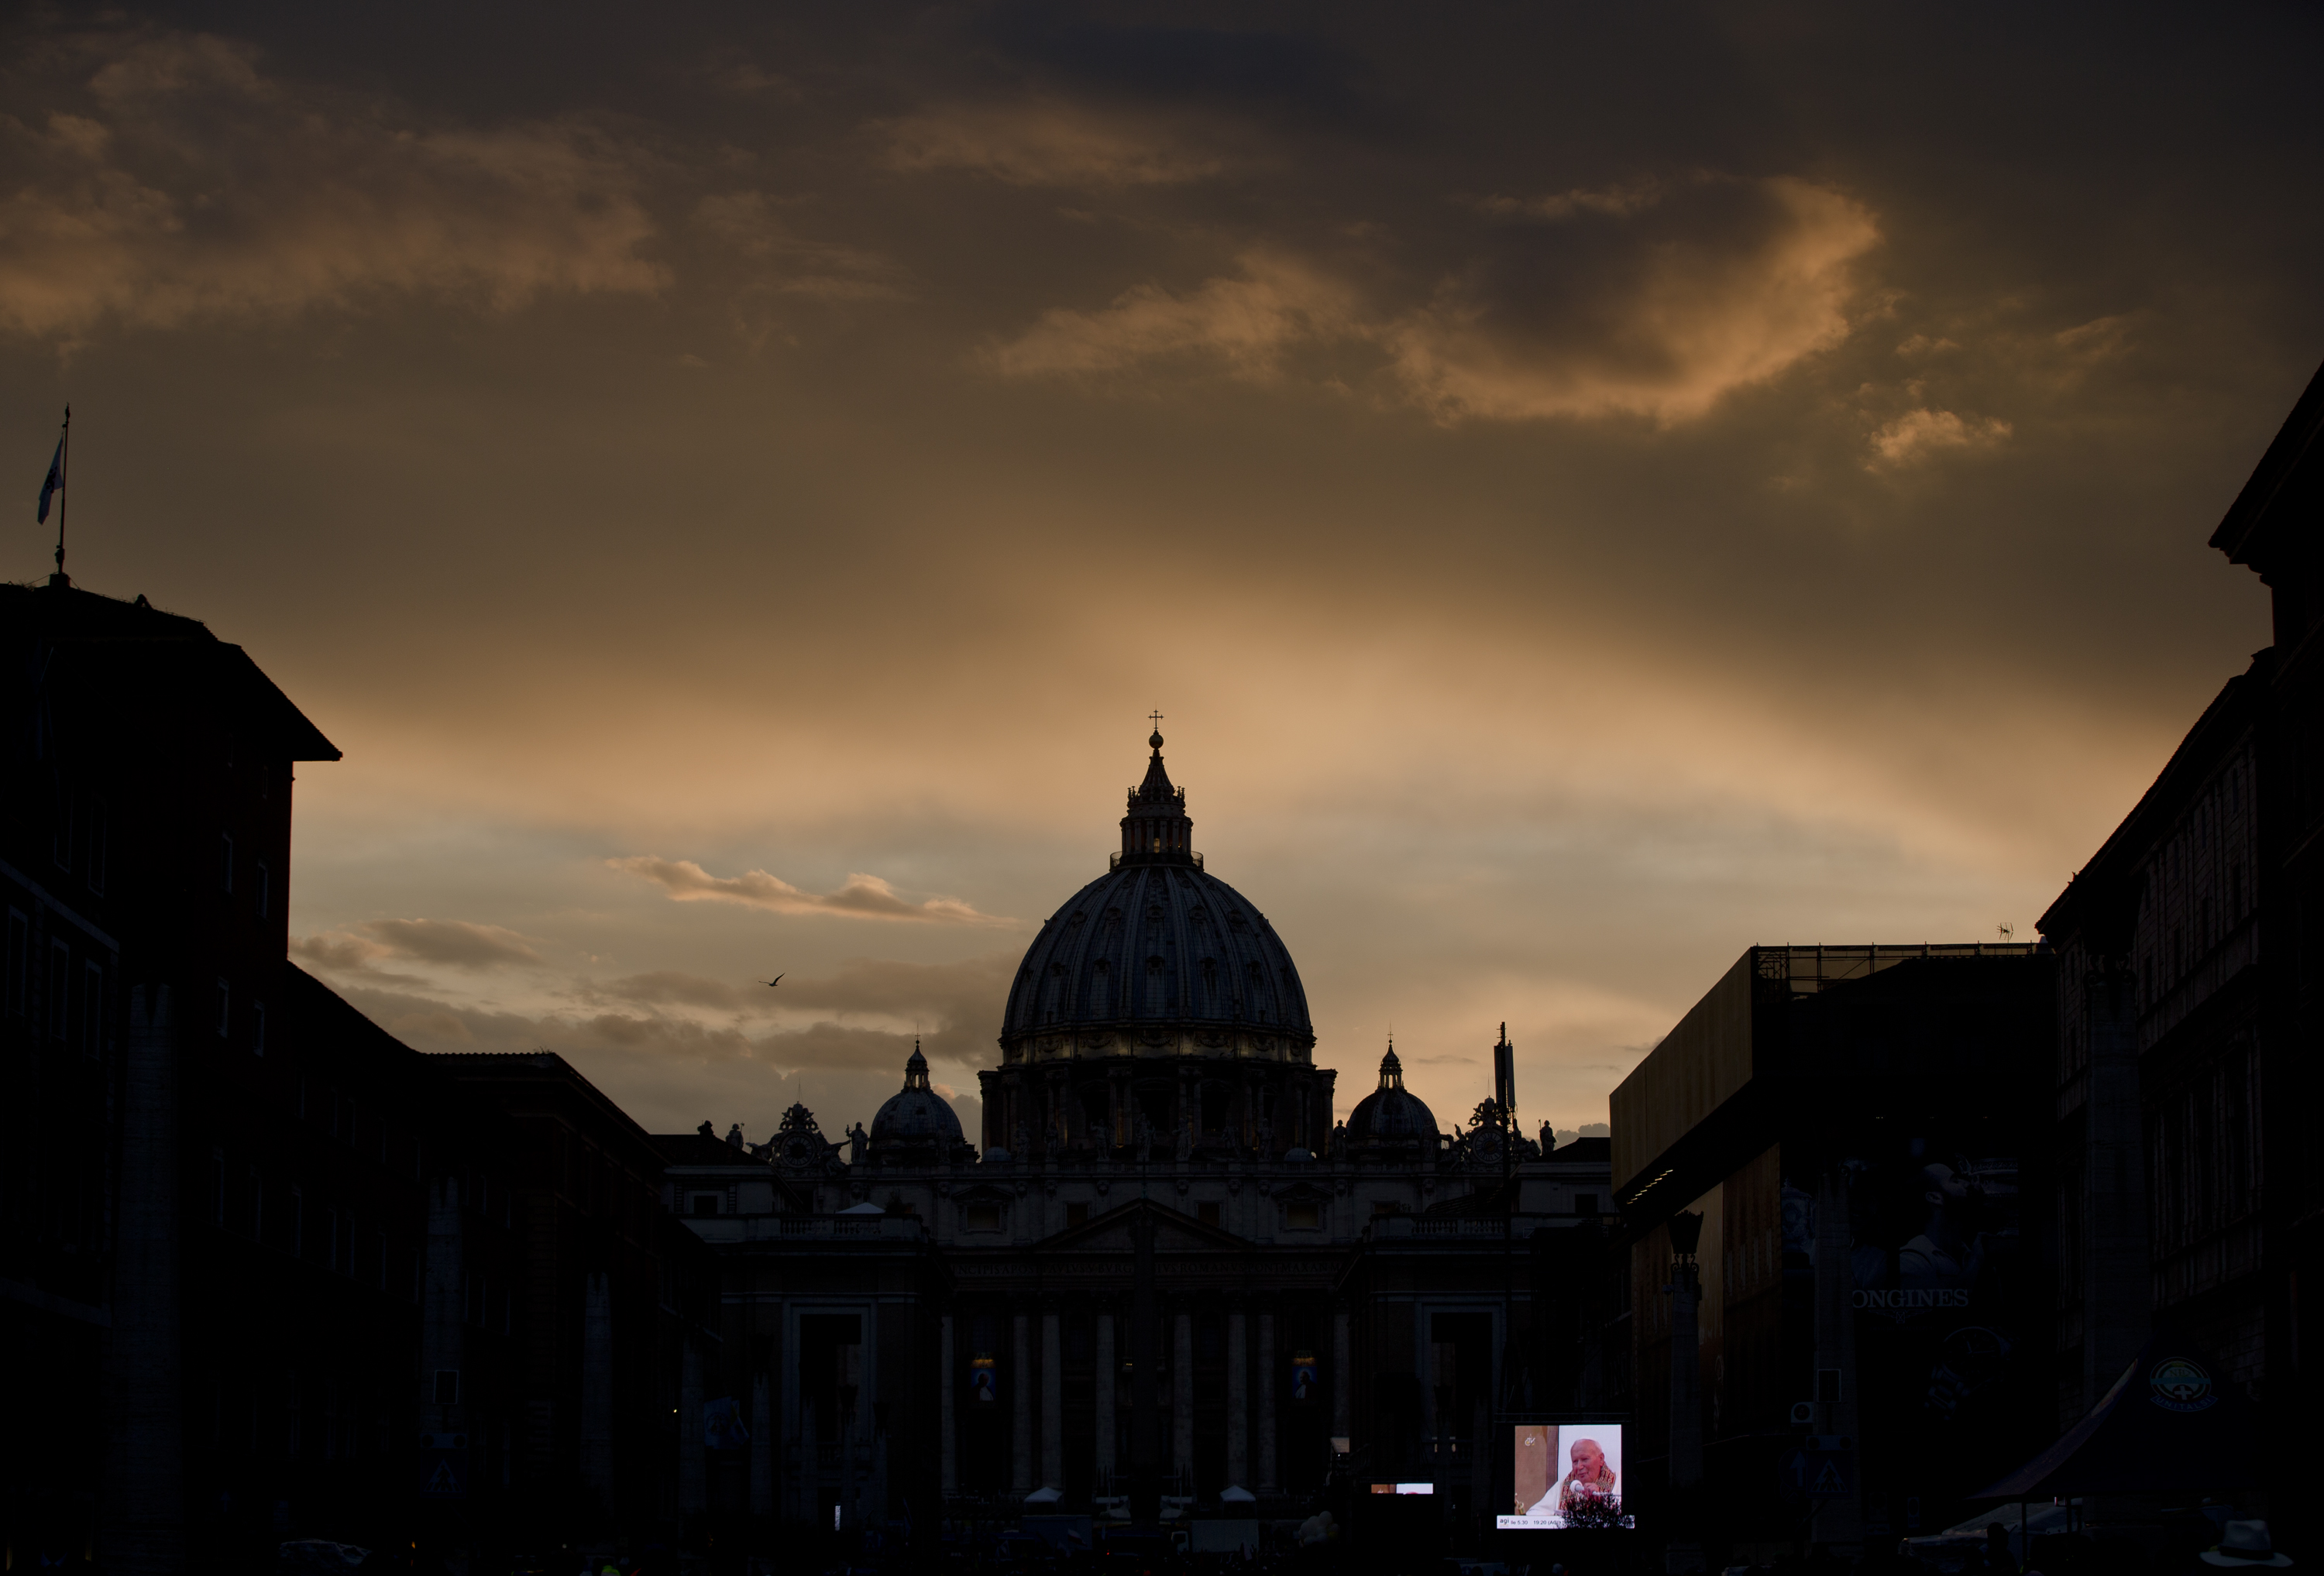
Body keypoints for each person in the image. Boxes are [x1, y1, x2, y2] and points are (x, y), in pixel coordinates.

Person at [1525, 1437, 1617, 1519]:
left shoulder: (1619, 1483)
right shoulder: (1562, 1486)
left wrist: (1600, 1500)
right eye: (1575, 1461)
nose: (1579, 1467)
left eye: (1585, 1459)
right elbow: (1536, 1513)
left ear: (1601, 1459)